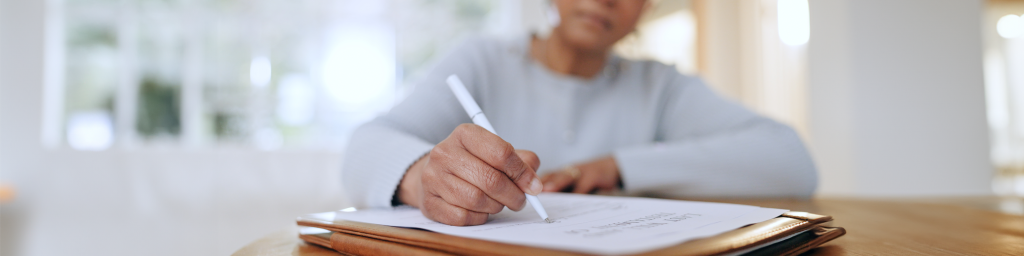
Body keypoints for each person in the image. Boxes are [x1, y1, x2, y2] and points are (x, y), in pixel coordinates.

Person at [342, 0, 817, 226]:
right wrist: (424, 175)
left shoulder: (659, 86)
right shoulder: (481, 61)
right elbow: (362, 149)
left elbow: (791, 160)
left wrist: (620, 167)